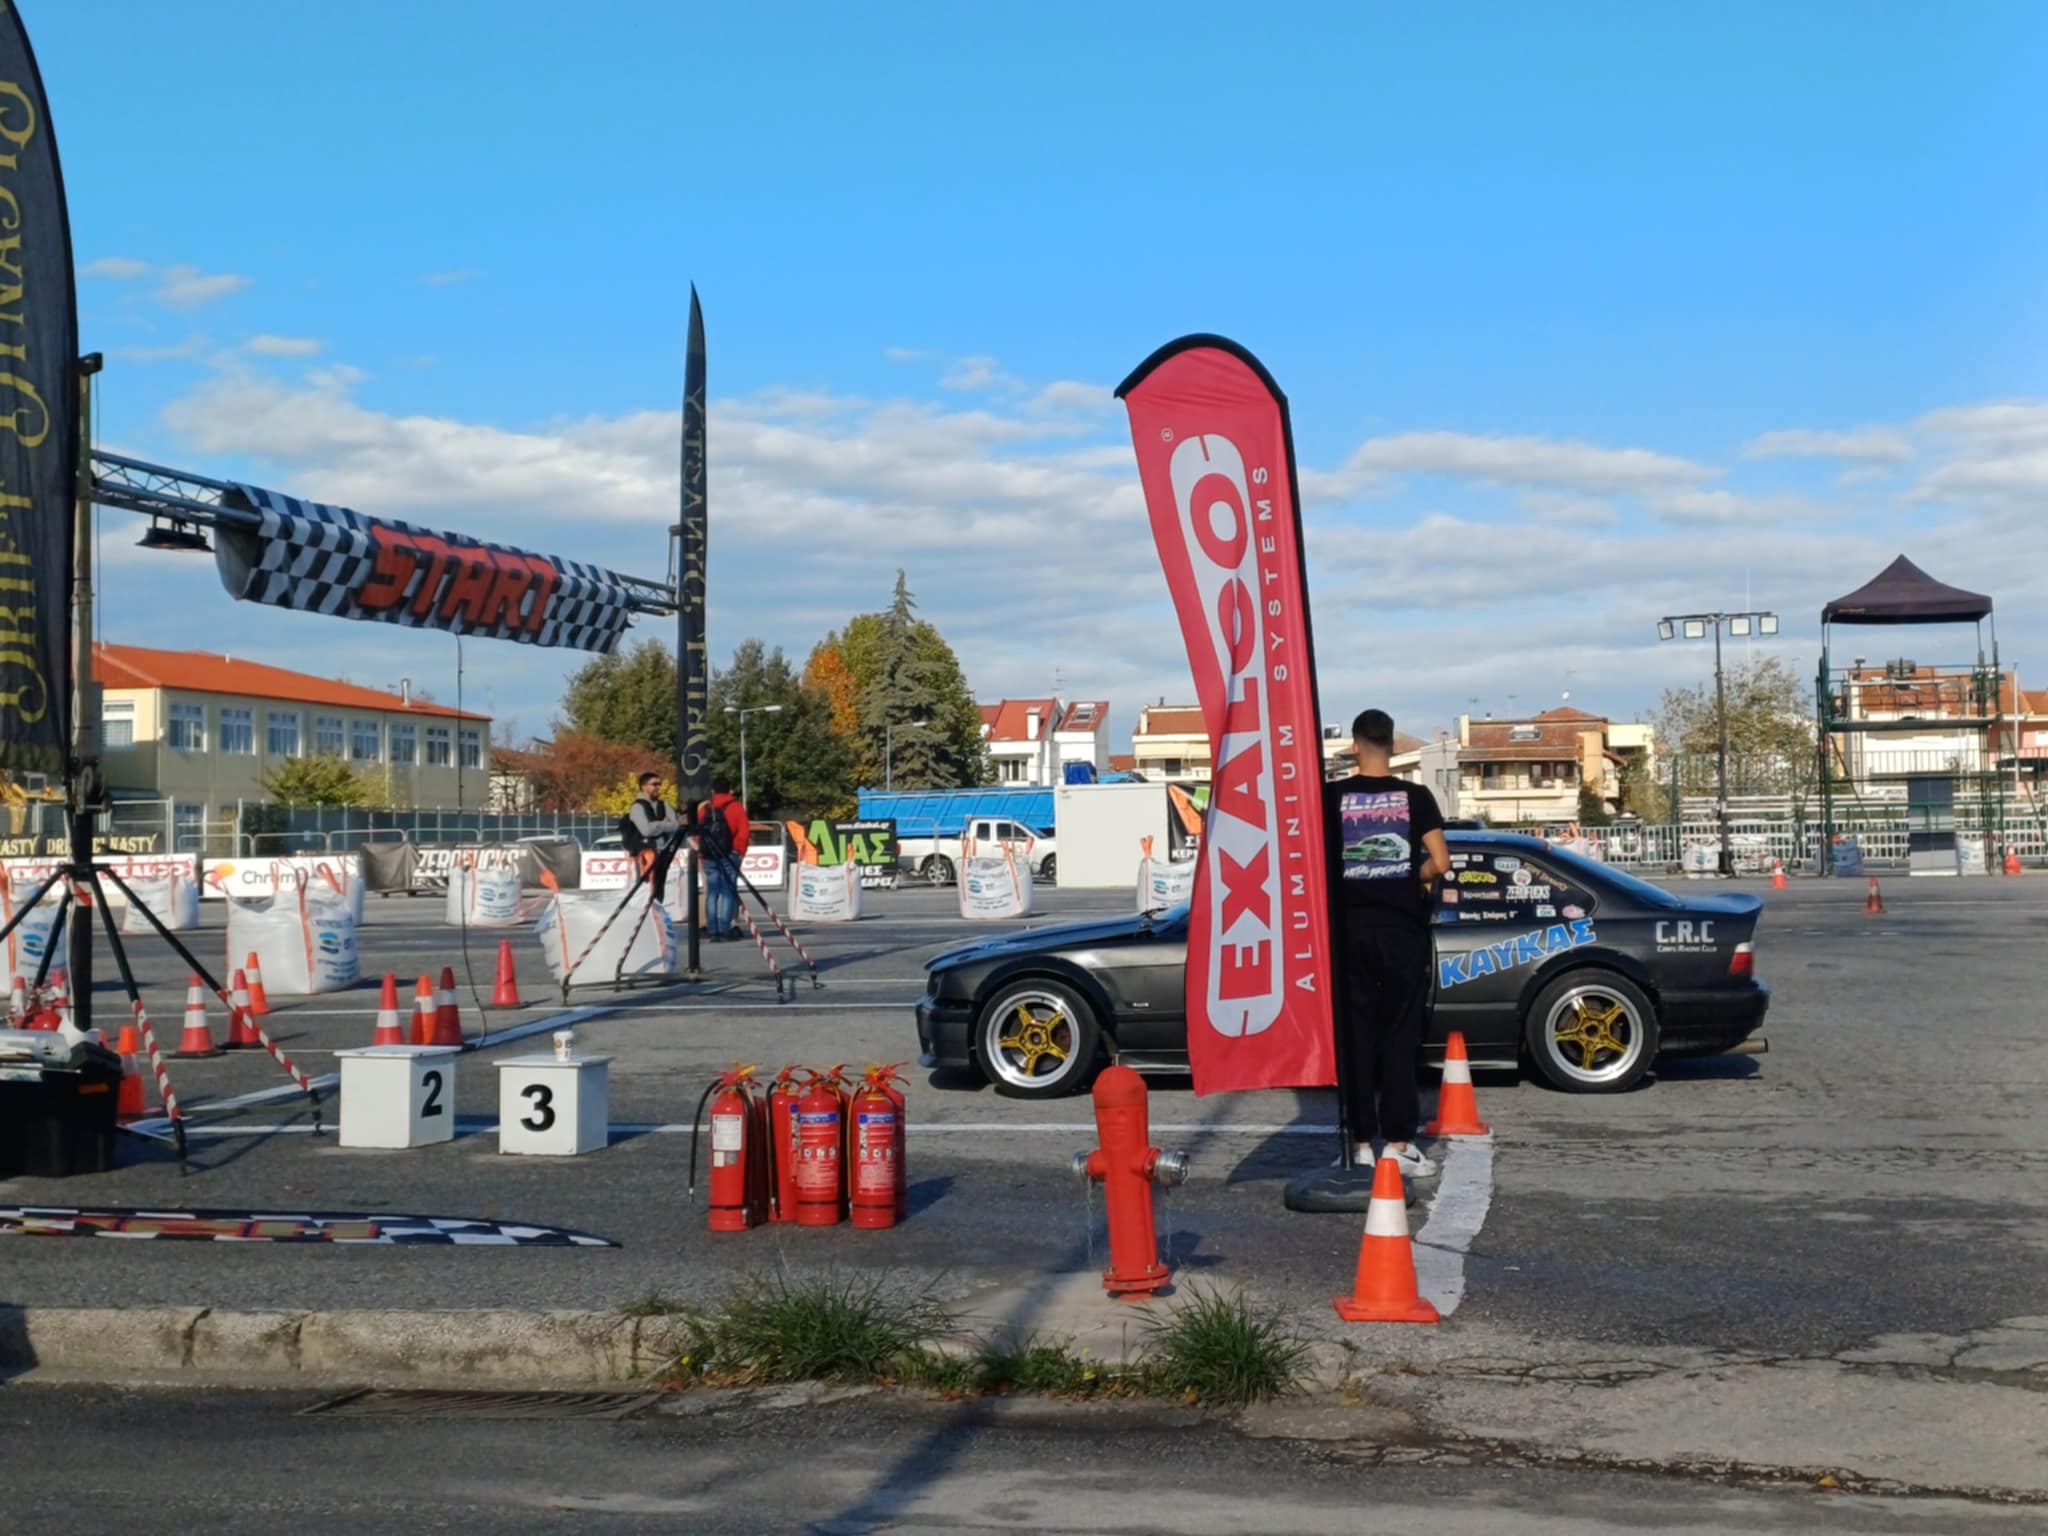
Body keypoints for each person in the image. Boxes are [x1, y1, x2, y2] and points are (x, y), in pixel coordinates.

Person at [1324, 708, 1451, 1178]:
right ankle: (1397, 1143)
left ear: (1355, 746)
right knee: (1400, 1036)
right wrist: (1405, 877)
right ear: (1394, 746)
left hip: (1349, 932)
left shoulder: (1331, 797)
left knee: (1355, 1038)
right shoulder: (1415, 796)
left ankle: (1359, 1144)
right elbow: (1440, 862)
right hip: (1401, 933)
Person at [699, 776, 752, 940]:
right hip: (729, 853)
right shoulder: (736, 807)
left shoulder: (706, 808)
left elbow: (698, 833)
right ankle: (725, 928)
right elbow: (744, 832)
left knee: (712, 892)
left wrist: (701, 853)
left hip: (709, 855)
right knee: (728, 891)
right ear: (729, 789)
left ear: (713, 791)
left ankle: (713, 930)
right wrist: (739, 852)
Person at [621, 771, 682, 901]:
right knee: (647, 889)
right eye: (654, 784)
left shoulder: (663, 805)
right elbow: (646, 830)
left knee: (659, 890)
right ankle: (647, 917)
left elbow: (677, 826)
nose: (658, 787)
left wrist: (657, 825)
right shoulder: (637, 807)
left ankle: (658, 917)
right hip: (645, 854)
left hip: (663, 852)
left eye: (659, 784)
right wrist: (663, 824)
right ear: (643, 786)